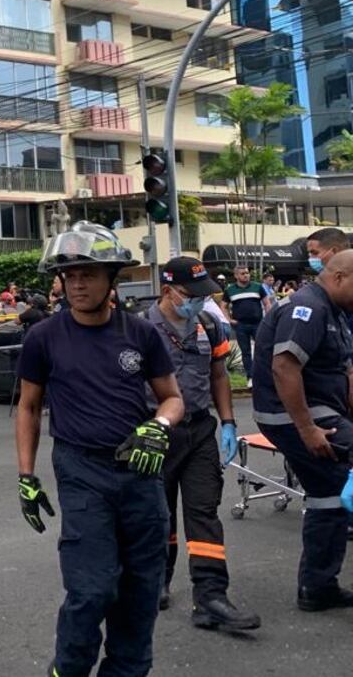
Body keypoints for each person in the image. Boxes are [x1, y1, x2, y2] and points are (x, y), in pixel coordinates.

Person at [15, 222, 184, 677]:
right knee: (91, 589)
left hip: (141, 473)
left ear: (112, 278)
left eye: (88, 274)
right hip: (81, 470)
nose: (77, 284)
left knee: (140, 589)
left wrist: (159, 425)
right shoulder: (43, 337)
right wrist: (26, 477)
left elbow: (172, 398)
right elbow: (28, 408)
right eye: (69, 276)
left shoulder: (142, 336)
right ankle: (68, 669)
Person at [145, 258, 260, 630]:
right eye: (191, 295)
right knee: (157, 515)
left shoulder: (208, 325)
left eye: (202, 295)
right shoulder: (140, 329)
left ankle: (210, 596)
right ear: (168, 291)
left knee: (204, 512)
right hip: (156, 433)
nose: (198, 302)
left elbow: (219, 375)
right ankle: (155, 582)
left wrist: (228, 423)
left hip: (199, 432)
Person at [252, 248, 353, 611]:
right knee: (338, 485)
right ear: (340, 277)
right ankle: (318, 584)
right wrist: (307, 428)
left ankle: (318, 586)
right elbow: (284, 367)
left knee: (330, 492)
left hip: (323, 409)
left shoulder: (337, 311)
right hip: (295, 413)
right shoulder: (308, 308)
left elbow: (345, 371)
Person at [222, 265, 272, 374]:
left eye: (247, 273)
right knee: (246, 352)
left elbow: (267, 303)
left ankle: (263, 374)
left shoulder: (257, 287)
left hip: (258, 324)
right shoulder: (230, 290)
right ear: (236, 275)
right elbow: (223, 306)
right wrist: (229, 319)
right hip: (240, 325)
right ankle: (250, 376)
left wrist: (268, 318)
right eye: (243, 273)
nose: (246, 275)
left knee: (262, 350)